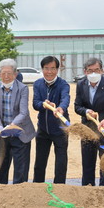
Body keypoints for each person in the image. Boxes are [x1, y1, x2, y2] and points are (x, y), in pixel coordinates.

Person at [74, 57, 104, 186]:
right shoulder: (81, 84)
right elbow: (77, 106)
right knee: (88, 163)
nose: (94, 73)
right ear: (85, 71)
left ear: (102, 71)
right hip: (88, 129)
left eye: (97, 70)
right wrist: (86, 111)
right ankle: (88, 190)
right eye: (90, 71)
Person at [0, 59, 36, 184]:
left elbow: (23, 113)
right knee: (1, 169)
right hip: (3, 134)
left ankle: (20, 197)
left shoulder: (22, 88)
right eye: (3, 73)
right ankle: (1, 194)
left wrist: (11, 126)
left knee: (20, 171)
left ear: (15, 74)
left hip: (20, 134)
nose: (6, 77)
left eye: (9, 73)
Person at [32, 56, 71, 184]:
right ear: (42, 69)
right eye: (46, 68)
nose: (49, 72)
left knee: (61, 162)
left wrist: (61, 108)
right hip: (43, 129)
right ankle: (38, 187)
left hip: (60, 129)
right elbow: (35, 103)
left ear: (58, 69)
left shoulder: (63, 84)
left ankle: (60, 187)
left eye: (53, 68)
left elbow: (65, 99)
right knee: (40, 162)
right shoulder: (38, 84)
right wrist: (43, 104)